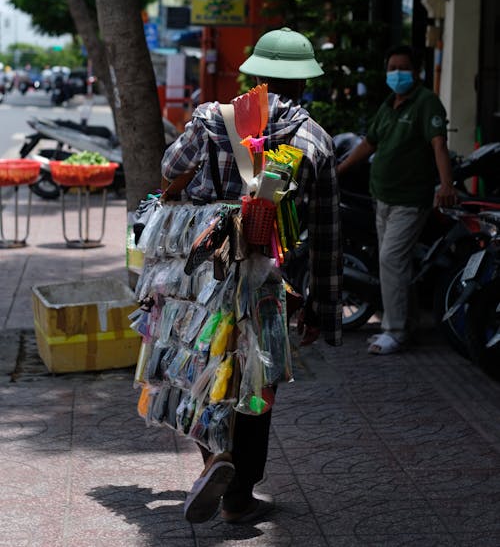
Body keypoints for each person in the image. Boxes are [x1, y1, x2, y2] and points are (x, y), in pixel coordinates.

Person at [160, 26, 342, 524]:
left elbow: (169, 164)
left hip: (205, 278)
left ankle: (215, 459)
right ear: (305, 84)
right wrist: (324, 311)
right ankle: (240, 495)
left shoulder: (211, 120)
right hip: (269, 283)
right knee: (257, 382)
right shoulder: (315, 140)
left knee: (204, 369)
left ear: (253, 75)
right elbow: (327, 235)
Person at [337, 46, 457, 355]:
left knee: (391, 260)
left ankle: (395, 330)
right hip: (382, 197)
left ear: (416, 72)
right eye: (392, 67)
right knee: (395, 263)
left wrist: (446, 184)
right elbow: (368, 143)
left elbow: (439, 144)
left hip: (410, 199)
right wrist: (339, 170)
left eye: (403, 68)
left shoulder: (426, 103)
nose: (397, 73)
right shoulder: (389, 105)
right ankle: (409, 323)